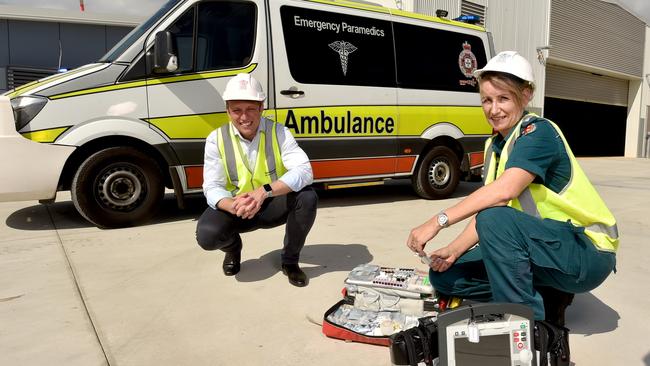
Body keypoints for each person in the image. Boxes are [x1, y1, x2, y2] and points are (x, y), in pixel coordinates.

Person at [406, 51, 618, 325]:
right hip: (543, 245)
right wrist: (454, 249)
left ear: (526, 95)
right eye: (487, 100)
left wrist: (437, 222)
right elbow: (492, 205)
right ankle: (545, 294)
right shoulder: (494, 146)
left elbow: (504, 193)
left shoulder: (539, 133)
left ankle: (525, 326)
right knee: (445, 276)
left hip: (585, 252)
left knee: (494, 221)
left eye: (504, 98)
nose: (494, 109)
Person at [196, 73, 318, 287]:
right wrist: (233, 206)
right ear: (228, 111)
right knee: (207, 235)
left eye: (251, 109)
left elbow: (304, 170)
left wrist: (263, 192)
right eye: (237, 110)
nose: (244, 117)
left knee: (307, 197)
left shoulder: (279, 132)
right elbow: (212, 186)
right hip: (236, 208)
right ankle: (233, 250)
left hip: (271, 202)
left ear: (262, 108)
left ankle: (290, 261)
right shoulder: (215, 139)